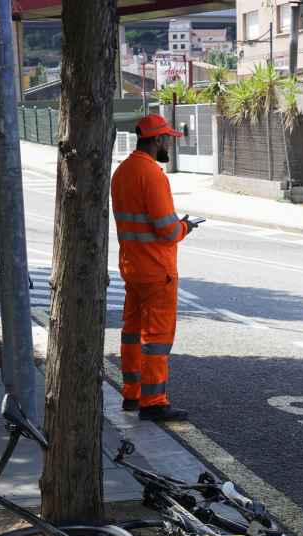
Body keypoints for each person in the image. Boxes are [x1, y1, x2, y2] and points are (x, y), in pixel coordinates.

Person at [110, 114, 199, 422]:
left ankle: (132, 395)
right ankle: (154, 401)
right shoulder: (153, 174)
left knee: (132, 333)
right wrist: (185, 227)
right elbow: (167, 230)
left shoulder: (122, 172)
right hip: (157, 270)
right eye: (167, 140)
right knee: (157, 337)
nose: (169, 145)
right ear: (157, 140)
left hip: (131, 267)